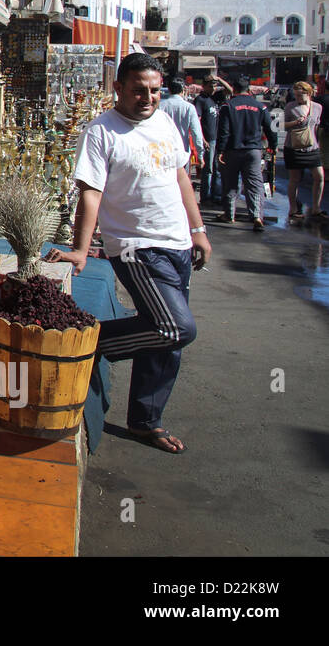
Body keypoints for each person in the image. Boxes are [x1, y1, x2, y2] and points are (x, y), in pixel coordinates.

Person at [46, 53, 210, 455]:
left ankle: (145, 420)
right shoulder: (102, 132)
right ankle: (90, 342)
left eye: (154, 90)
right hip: (136, 248)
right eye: (139, 90)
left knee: (164, 337)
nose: (148, 98)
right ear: (118, 88)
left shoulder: (165, 121)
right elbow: (91, 192)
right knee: (176, 327)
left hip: (177, 244)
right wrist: (80, 249)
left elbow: (180, 177)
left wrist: (199, 230)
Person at [216, 75, 278, 231]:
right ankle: (256, 215)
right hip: (253, 151)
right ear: (249, 90)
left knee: (230, 183)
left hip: (232, 150)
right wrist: (273, 145)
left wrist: (220, 150)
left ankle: (229, 214)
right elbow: (271, 128)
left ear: (234, 90)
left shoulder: (227, 106)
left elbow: (224, 131)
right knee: (254, 184)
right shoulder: (260, 106)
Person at [282, 81, 325, 220]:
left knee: (320, 177)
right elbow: (282, 125)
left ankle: (316, 208)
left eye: (300, 95)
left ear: (309, 93)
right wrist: (295, 122)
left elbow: (316, 127)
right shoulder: (290, 106)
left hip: (312, 148)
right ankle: (293, 208)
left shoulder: (318, 107)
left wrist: (316, 142)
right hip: (293, 147)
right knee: (295, 179)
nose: (298, 98)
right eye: (296, 95)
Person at [159, 76, 206, 170]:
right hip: (182, 153)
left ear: (169, 89)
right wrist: (200, 156)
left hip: (163, 152)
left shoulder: (160, 106)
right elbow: (196, 133)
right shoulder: (189, 108)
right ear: (183, 89)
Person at [194, 77, 222, 202]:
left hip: (217, 138)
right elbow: (197, 121)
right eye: (211, 86)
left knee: (217, 168)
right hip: (208, 139)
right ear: (204, 86)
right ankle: (205, 196)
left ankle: (215, 194)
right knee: (208, 169)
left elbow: (231, 91)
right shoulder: (200, 100)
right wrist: (203, 139)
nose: (213, 89)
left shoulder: (214, 98)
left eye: (215, 86)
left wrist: (219, 78)